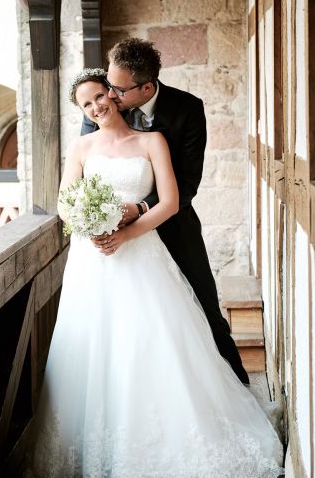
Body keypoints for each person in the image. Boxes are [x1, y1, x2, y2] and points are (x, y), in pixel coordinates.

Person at [11, 69, 283, 478]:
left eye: (101, 96)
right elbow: (66, 202)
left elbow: (171, 203)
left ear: (115, 95)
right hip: (92, 261)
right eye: (86, 104)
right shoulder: (81, 147)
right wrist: (88, 225)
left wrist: (124, 233)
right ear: (81, 111)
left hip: (141, 252)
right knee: (95, 346)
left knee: (151, 341)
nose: (96, 106)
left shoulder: (152, 141)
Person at [82, 38, 249, 385]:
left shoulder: (187, 109)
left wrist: (140, 208)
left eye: (117, 88)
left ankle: (238, 387)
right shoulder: (103, 109)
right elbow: (89, 168)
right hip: (118, 241)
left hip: (175, 225)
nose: (108, 96)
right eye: (108, 85)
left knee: (205, 307)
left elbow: (187, 184)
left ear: (146, 87)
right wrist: (103, 217)